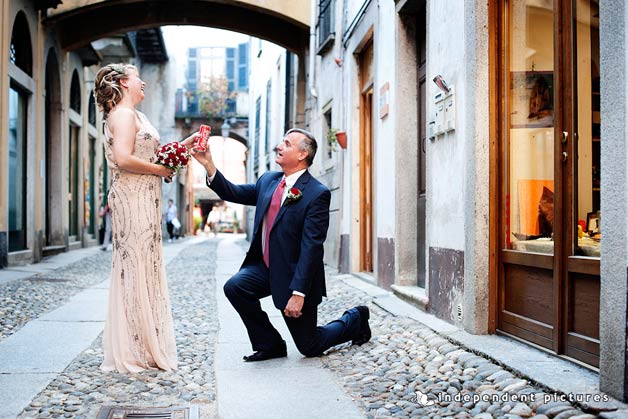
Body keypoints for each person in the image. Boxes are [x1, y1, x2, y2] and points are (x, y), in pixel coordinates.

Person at [189, 128, 371, 361]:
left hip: (293, 276)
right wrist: (209, 165)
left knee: (310, 346)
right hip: (264, 268)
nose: (279, 146)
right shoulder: (268, 181)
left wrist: (299, 292)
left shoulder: (317, 194)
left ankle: (356, 319)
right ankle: (270, 344)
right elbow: (233, 192)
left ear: (302, 154)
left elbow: (311, 247)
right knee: (235, 287)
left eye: (287, 144)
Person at [95, 63, 192, 373]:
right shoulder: (122, 115)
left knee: (146, 267)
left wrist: (182, 148)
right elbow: (123, 158)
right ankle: (133, 347)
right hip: (131, 198)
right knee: (134, 267)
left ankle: (145, 343)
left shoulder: (139, 116)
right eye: (137, 77)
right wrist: (161, 171)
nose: (144, 82)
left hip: (146, 198)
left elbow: (151, 153)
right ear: (124, 82)